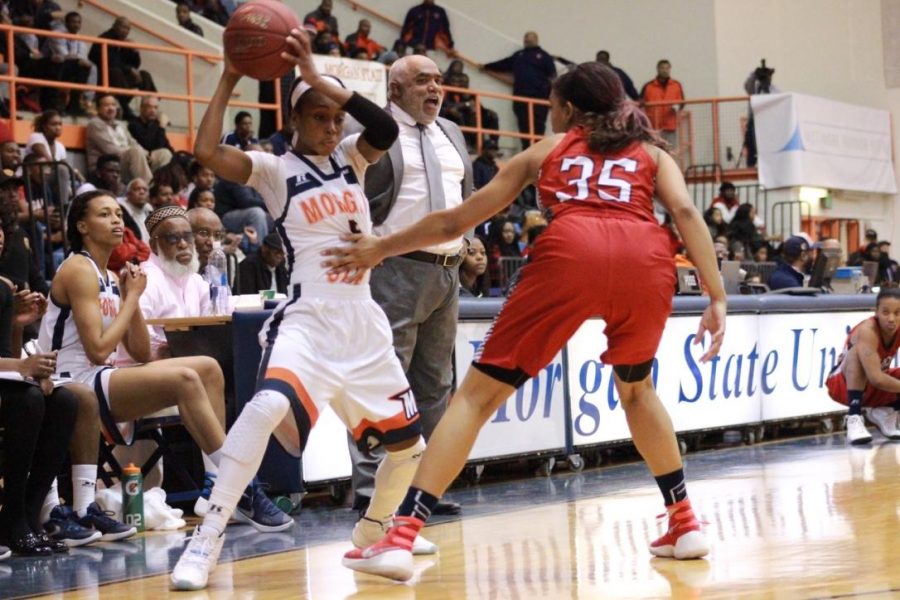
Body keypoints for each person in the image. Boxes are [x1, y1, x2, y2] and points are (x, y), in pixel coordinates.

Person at [331, 61, 726, 580]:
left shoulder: (548, 150)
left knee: (474, 397)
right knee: (637, 391)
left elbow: (455, 220)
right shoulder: (653, 153)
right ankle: (684, 520)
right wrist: (716, 296)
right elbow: (687, 214)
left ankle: (402, 533)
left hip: (572, 252)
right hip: (644, 259)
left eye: (553, 109)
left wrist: (379, 247)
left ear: (568, 110)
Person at [170, 29, 437, 591]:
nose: (334, 126)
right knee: (267, 406)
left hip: (364, 323)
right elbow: (205, 152)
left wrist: (322, 81)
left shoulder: (352, 159)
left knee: (412, 450)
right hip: (310, 317)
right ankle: (207, 536)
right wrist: (230, 75)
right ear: (295, 120)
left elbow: (386, 127)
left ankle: (372, 532)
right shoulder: (272, 169)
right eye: (320, 116)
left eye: (337, 116)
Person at [38, 190, 291, 545]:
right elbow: (96, 350)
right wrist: (133, 301)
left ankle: (214, 481)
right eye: (104, 214)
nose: (116, 220)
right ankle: (241, 487)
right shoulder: (79, 269)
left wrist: (130, 298)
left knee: (208, 367)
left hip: (103, 378)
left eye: (117, 214)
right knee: (186, 378)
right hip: (73, 381)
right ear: (82, 225)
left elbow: (139, 350)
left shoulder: (110, 276)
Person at [351, 53, 473, 519]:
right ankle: (370, 489)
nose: (434, 89)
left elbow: (464, 198)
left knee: (435, 384)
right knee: (382, 378)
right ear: (396, 91)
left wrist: (470, 244)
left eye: (438, 81)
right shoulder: (376, 135)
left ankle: (424, 485)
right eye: (422, 81)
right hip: (394, 266)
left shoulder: (452, 133)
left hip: (447, 270)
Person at [0, 220, 83, 556]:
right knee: (28, 401)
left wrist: (19, 329)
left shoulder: (4, 287)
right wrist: (22, 368)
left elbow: (5, 355)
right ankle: (14, 516)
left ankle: (27, 516)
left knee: (64, 401)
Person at [826, 287, 900, 444]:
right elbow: (876, 379)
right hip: (842, 385)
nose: (892, 318)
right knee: (856, 355)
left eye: (897, 313)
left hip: (874, 387)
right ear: (876, 312)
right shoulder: (867, 330)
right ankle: (854, 417)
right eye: (886, 312)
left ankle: (886, 411)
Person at [483, 32, 556, 149]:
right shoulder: (519, 56)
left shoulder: (544, 57)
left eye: (530, 39)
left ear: (536, 40)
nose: (527, 41)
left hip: (539, 99)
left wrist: (553, 99)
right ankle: (526, 151)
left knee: (538, 127)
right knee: (524, 127)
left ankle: (537, 152)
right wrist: (486, 66)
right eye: (525, 39)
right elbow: (503, 64)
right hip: (521, 98)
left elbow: (553, 77)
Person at [88, 17, 157, 119]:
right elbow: (110, 62)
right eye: (123, 27)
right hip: (104, 76)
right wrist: (129, 69)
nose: (126, 31)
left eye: (128, 29)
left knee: (144, 75)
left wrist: (134, 52)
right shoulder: (105, 38)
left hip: (121, 76)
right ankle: (124, 107)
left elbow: (135, 65)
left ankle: (151, 107)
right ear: (115, 26)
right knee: (116, 72)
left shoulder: (125, 42)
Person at [86, 94, 154, 184]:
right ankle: (148, 189)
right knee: (135, 152)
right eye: (106, 105)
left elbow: (132, 142)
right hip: (105, 168)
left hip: (125, 162)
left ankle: (163, 188)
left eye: (113, 105)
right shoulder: (95, 124)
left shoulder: (121, 124)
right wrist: (134, 151)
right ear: (98, 108)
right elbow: (111, 150)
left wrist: (146, 153)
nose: (111, 108)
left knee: (163, 154)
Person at [640, 59, 684, 149]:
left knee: (670, 151)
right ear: (657, 69)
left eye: (667, 68)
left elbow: (682, 102)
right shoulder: (648, 86)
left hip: (670, 126)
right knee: (654, 152)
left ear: (670, 69)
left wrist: (677, 106)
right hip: (653, 127)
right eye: (662, 68)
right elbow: (640, 103)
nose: (665, 70)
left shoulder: (676, 85)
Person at [743, 60, 778, 168]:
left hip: (768, 125)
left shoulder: (774, 91)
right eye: (763, 77)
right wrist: (754, 74)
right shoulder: (754, 89)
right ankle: (751, 166)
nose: (765, 79)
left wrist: (767, 87)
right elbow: (747, 85)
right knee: (752, 147)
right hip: (753, 122)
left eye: (767, 77)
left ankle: (768, 166)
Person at [127, 96, 174, 173]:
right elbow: (149, 144)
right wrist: (161, 127)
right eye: (149, 107)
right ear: (141, 108)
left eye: (155, 108)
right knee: (164, 154)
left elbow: (166, 145)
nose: (153, 111)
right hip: (143, 160)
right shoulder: (134, 124)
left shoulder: (156, 125)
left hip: (155, 162)